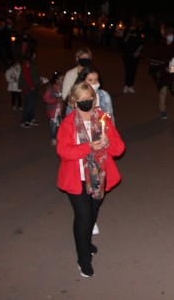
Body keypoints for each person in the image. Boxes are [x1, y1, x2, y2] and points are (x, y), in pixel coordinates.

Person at [56, 82, 125, 278]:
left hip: (98, 177)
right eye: (82, 100)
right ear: (73, 102)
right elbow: (63, 151)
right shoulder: (67, 124)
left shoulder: (103, 119)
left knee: (93, 213)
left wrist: (107, 142)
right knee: (84, 216)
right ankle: (83, 259)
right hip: (76, 178)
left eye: (89, 99)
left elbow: (119, 149)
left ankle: (86, 241)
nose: (86, 103)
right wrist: (89, 147)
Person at [150, 27, 174, 120]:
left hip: (173, 73)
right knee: (163, 92)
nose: (171, 37)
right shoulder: (161, 47)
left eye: (172, 35)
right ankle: (162, 111)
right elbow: (155, 61)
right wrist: (163, 67)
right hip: (163, 73)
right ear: (166, 36)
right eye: (169, 35)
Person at [62, 47, 93, 116]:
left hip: (89, 108)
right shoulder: (70, 74)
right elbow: (65, 96)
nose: (85, 59)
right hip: (73, 108)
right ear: (77, 58)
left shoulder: (92, 74)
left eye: (87, 58)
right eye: (83, 57)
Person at [18, 47, 40, 128]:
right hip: (28, 87)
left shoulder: (30, 63)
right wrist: (31, 86)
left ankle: (30, 118)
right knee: (29, 104)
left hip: (31, 86)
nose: (35, 55)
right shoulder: (27, 63)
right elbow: (26, 76)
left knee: (31, 103)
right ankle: (24, 120)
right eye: (34, 53)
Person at [43, 71, 65, 146]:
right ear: (57, 80)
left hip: (61, 111)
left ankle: (61, 139)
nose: (64, 81)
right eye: (62, 79)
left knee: (62, 126)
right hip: (53, 112)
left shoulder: (64, 88)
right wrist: (55, 100)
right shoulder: (51, 89)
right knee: (53, 126)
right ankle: (53, 138)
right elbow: (45, 98)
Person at [122, 25, 144, 93]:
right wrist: (128, 35)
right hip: (127, 56)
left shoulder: (138, 36)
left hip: (135, 57)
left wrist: (138, 52)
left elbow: (141, 44)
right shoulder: (128, 35)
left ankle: (130, 86)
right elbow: (124, 43)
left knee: (133, 71)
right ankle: (126, 85)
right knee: (129, 70)